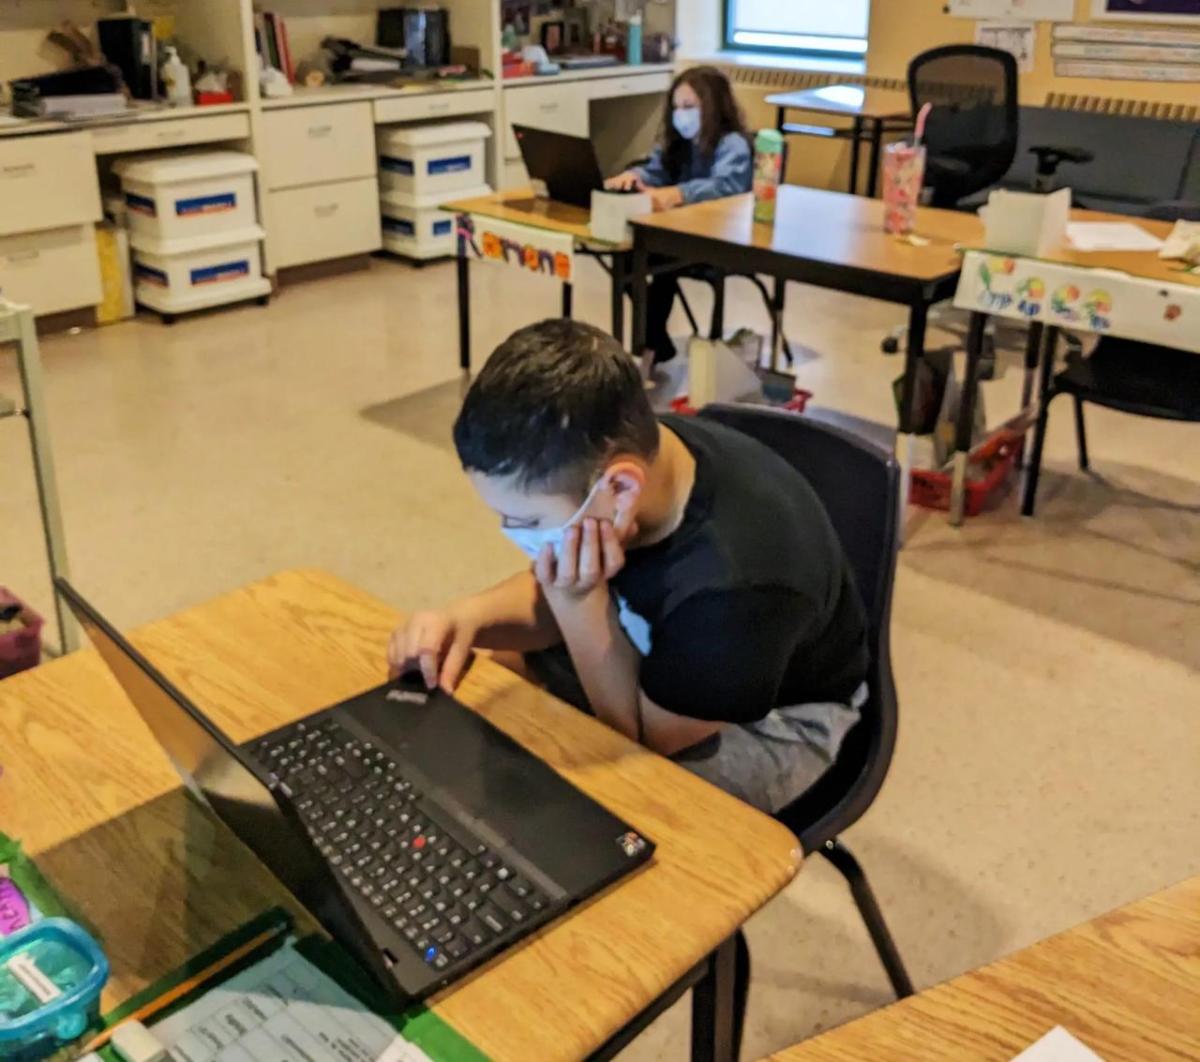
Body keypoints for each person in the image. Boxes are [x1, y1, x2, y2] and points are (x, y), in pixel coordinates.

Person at [387, 320, 869, 814]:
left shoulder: (737, 589)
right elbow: (561, 576)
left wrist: (579, 602)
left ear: (619, 489)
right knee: (483, 706)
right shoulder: (641, 450)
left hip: (776, 723)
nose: (513, 532)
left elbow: (636, 741)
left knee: (600, 812)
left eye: (526, 519)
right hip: (660, 647)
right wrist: (463, 620)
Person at [604, 66, 753, 365]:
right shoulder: (677, 144)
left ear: (712, 108)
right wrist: (632, 176)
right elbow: (655, 171)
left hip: (718, 241)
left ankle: (651, 340)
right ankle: (654, 338)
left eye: (689, 107)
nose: (680, 115)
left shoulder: (732, 144)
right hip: (676, 236)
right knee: (631, 257)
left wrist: (678, 194)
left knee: (657, 259)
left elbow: (726, 186)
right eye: (676, 107)